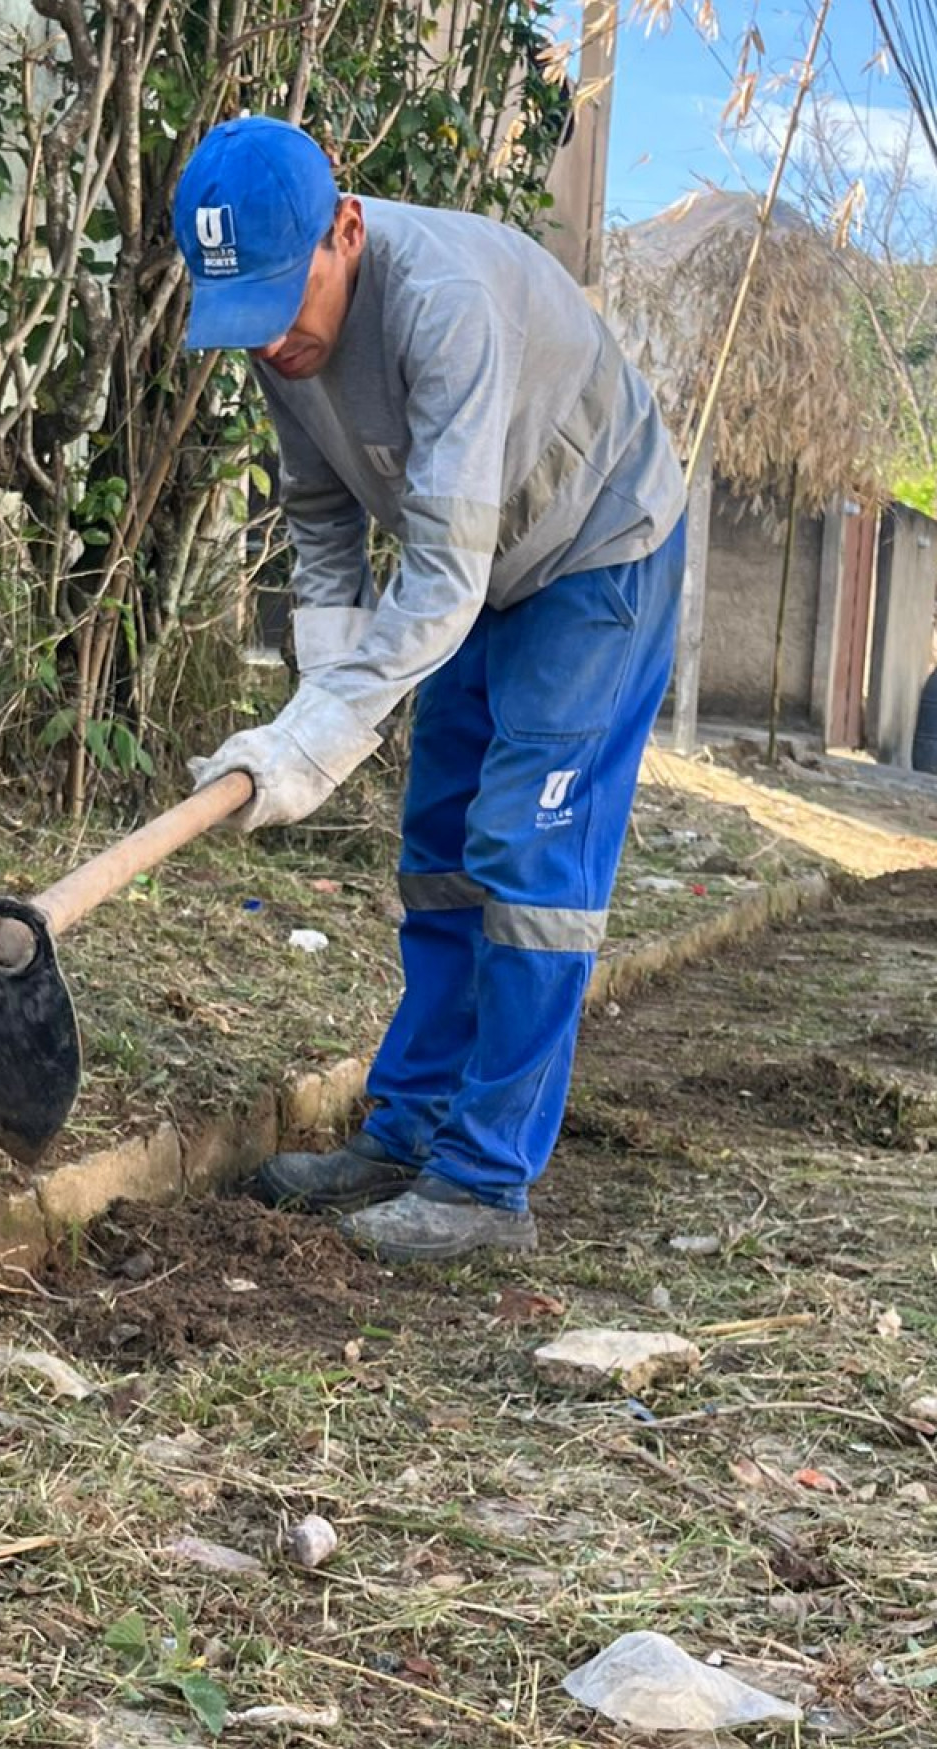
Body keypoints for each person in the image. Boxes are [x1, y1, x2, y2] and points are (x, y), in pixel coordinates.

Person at [173, 116, 687, 1263]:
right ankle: (407, 1133)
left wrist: (312, 743)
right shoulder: (279, 339)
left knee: (526, 853)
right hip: (479, 568)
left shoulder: (442, 303)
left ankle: (485, 1183)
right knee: (442, 848)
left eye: (280, 301)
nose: (269, 341)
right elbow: (320, 514)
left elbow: (442, 581)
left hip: (596, 549)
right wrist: (313, 709)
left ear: (346, 232)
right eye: (243, 316)